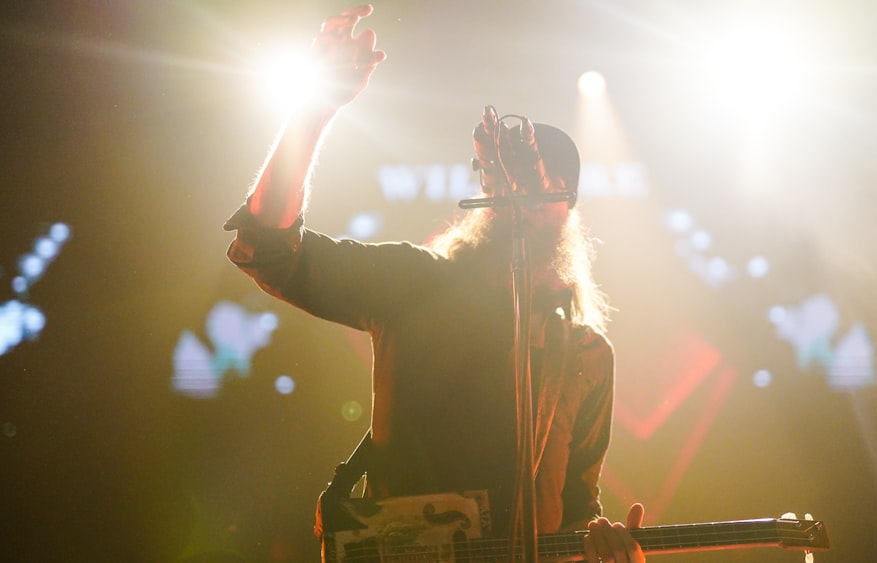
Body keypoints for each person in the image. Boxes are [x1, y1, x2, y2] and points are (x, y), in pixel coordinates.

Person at [224, 5, 645, 562]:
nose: (519, 193)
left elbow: (574, 509)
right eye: (503, 177)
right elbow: (272, 249)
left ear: (567, 206)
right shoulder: (413, 282)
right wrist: (315, 109)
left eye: (544, 182)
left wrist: (608, 551)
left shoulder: (587, 353)